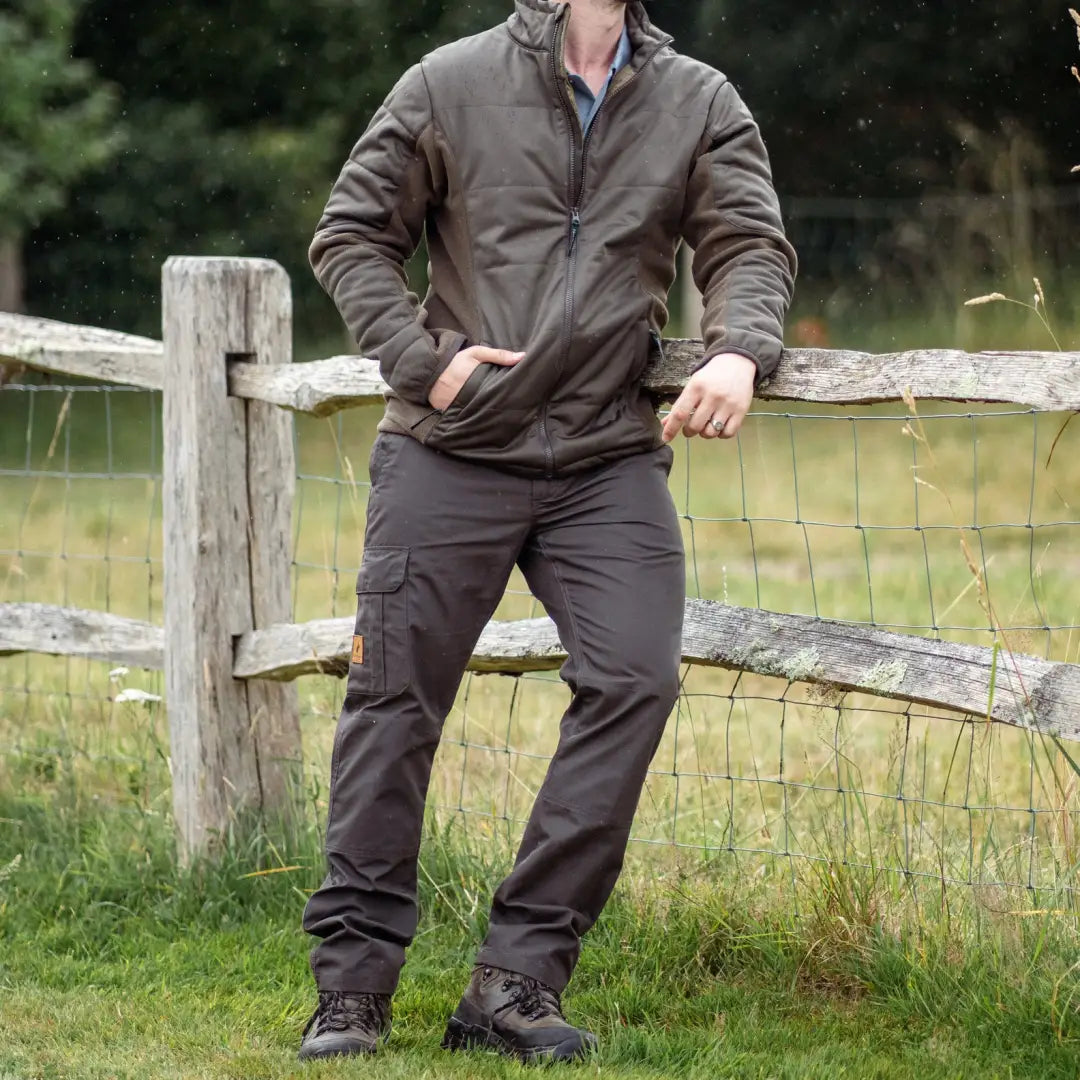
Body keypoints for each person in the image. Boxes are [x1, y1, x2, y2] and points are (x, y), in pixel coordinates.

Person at [298, 0, 795, 1063]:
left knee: (635, 680)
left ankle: (515, 981)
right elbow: (351, 235)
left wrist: (739, 348)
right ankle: (350, 988)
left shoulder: (698, 99)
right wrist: (424, 362)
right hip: (449, 452)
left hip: (605, 458)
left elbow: (748, 245)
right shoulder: (449, 80)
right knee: (394, 703)